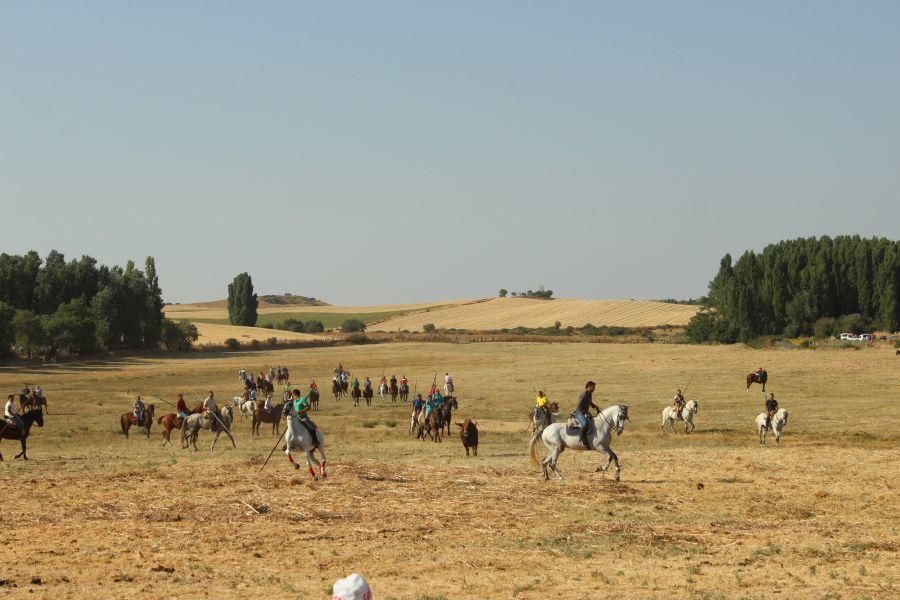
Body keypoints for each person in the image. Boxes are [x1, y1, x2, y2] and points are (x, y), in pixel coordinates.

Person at [575, 381, 600, 448]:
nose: (594, 389)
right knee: (585, 424)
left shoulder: (589, 394)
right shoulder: (584, 395)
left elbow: (590, 403)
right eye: (593, 387)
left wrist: (596, 407)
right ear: (589, 387)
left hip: (584, 412)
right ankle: (581, 439)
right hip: (579, 412)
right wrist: (585, 412)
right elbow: (579, 406)